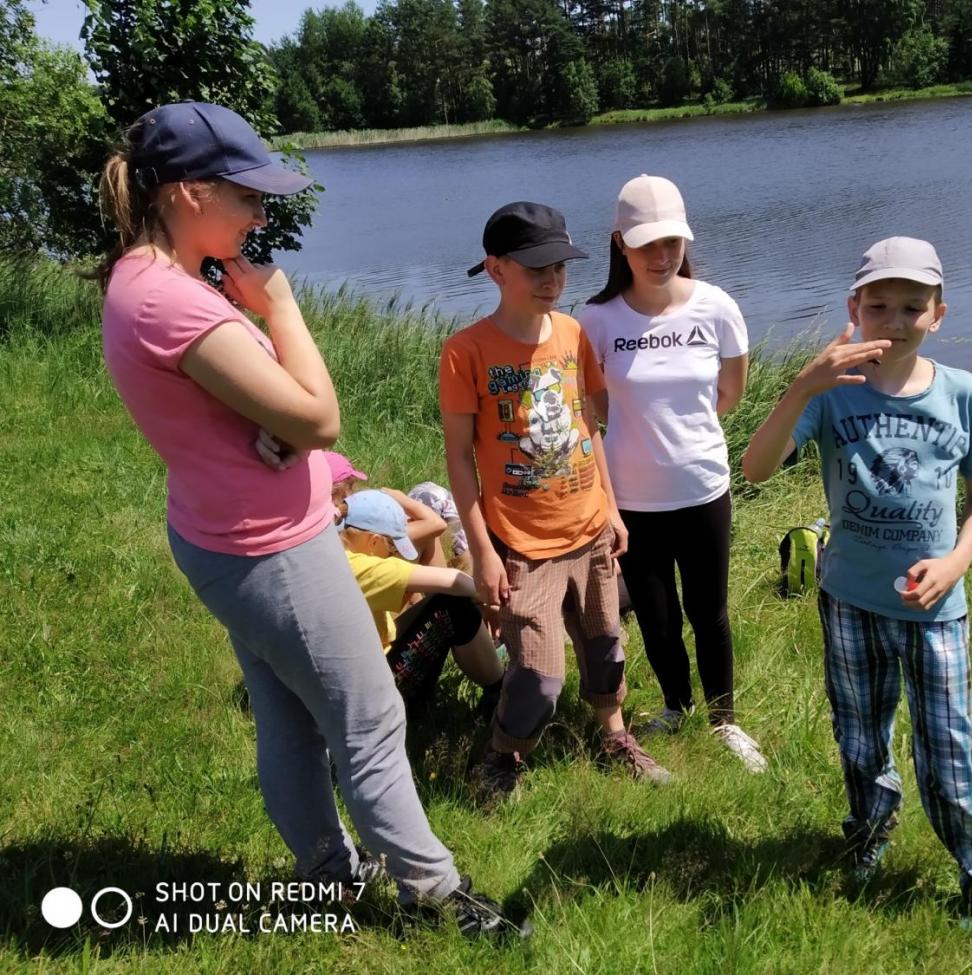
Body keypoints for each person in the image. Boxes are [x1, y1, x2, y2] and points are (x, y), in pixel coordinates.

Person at [94, 101, 521, 939]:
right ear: (186, 194)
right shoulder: (176, 303)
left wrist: (284, 433)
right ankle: (434, 895)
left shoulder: (142, 281)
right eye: (247, 197)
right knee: (368, 718)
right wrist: (280, 304)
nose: (260, 215)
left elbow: (248, 413)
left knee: (288, 714)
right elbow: (320, 416)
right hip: (270, 551)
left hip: (222, 531)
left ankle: (330, 873)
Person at [741, 237, 972, 934]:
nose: (893, 320)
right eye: (878, 305)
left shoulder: (963, 393)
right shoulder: (833, 396)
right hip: (850, 604)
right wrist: (805, 383)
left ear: (939, 314)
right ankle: (870, 834)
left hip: (936, 610)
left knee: (949, 750)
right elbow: (757, 469)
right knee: (860, 739)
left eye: (911, 307)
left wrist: (954, 563)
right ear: (853, 309)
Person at [440, 201, 671, 803]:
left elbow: (589, 426)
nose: (552, 281)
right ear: (496, 269)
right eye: (537, 268)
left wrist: (613, 510)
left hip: (590, 528)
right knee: (541, 676)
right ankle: (502, 757)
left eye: (561, 268)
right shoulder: (466, 352)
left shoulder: (571, 333)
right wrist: (483, 552)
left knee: (604, 644)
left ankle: (615, 737)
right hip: (522, 544)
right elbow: (459, 460)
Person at [580, 174, 766, 772]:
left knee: (708, 611)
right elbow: (597, 408)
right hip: (633, 497)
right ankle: (675, 705)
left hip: (703, 487)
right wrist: (641, 434)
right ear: (619, 243)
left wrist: (680, 435)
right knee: (657, 617)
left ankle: (723, 719)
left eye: (672, 243)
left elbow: (731, 392)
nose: (661, 257)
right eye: (646, 244)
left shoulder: (717, 305)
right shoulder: (597, 319)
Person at [339, 489, 504, 709]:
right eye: (391, 549)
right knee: (455, 606)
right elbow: (454, 581)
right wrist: (495, 599)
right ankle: (500, 692)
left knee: (447, 601)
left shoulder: (335, 553)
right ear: (373, 542)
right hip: (371, 696)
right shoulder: (363, 568)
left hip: (349, 681)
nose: (394, 556)